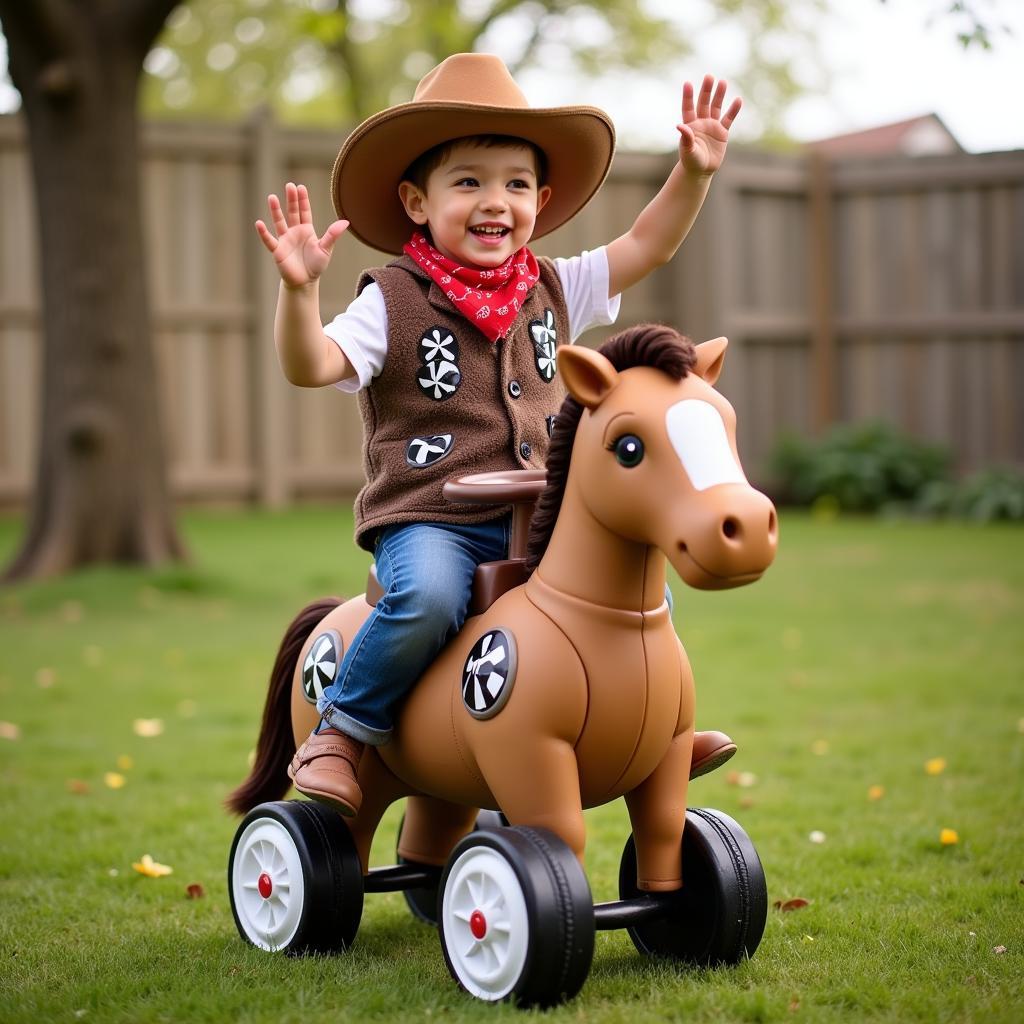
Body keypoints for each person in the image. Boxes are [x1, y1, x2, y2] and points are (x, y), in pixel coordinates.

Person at [255, 53, 742, 816]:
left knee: (637, 587)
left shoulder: (556, 285)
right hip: (433, 516)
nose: (496, 201)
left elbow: (648, 245)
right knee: (428, 597)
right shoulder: (390, 302)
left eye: (516, 183)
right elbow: (310, 362)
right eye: (469, 182)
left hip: (544, 518)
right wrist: (299, 290)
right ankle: (342, 732)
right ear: (417, 201)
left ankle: (656, 727)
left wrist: (695, 173)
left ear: (541, 202)